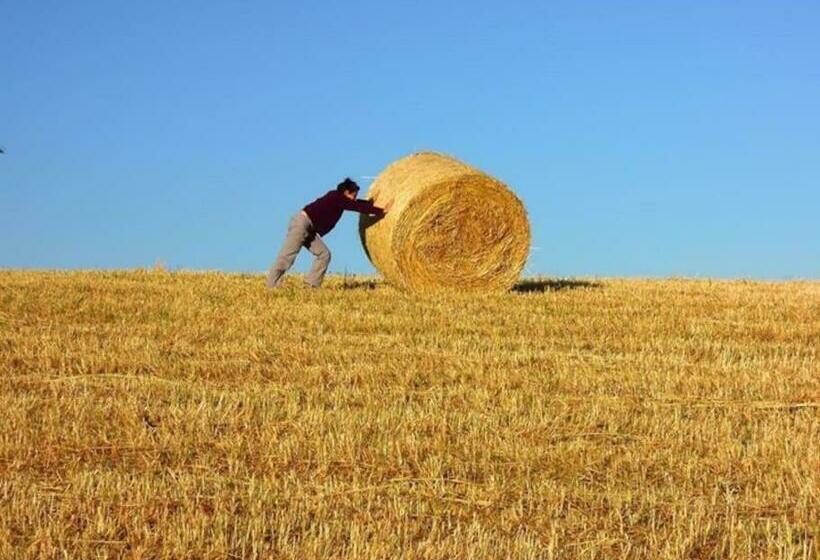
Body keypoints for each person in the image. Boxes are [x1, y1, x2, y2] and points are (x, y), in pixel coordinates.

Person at [266, 178, 386, 289]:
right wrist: (380, 211)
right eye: (353, 195)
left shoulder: (339, 199)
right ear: (345, 192)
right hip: (301, 224)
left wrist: (370, 204)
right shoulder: (336, 197)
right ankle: (271, 285)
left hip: (309, 228)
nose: (354, 198)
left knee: (324, 254)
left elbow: (355, 204)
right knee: (287, 256)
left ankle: (311, 285)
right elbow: (355, 206)